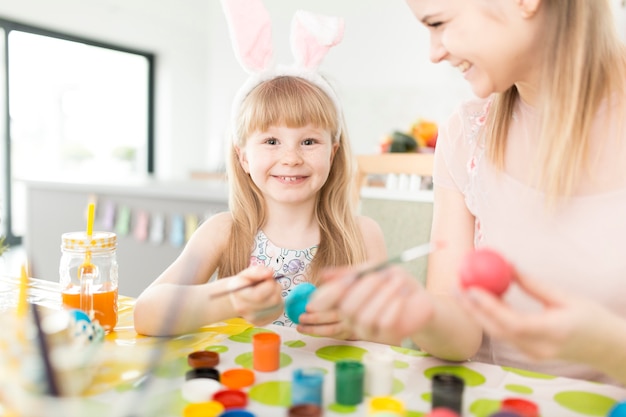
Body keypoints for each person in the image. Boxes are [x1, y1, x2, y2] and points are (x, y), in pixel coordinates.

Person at [306, 0, 626, 386]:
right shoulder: (466, 134)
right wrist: (419, 309)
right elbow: (460, 337)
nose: (434, 52)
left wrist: (606, 346)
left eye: (438, 23)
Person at [133, 1, 387, 337]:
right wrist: (230, 300)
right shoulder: (223, 232)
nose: (291, 157)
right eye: (271, 142)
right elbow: (146, 315)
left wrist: (356, 325)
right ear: (243, 158)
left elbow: (392, 336)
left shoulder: (362, 235)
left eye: (309, 142)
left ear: (334, 153)